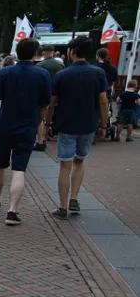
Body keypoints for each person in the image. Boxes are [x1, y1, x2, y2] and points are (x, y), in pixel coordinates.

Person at [0, 38, 51, 226]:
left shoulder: (6, 72)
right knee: (19, 169)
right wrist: (41, 122)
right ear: (36, 54)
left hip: (5, 126)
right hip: (27, 127)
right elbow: (44, 105)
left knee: (0, 166)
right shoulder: (43, 74)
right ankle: (12, 211)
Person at [47, 36, 109, 220]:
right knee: (79, 161)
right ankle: (74, 197)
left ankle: (62, 206)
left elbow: (52, 103)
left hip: (67, 124)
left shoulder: (62, 75)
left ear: (72, 51)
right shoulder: (98, 74)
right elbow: (103, 100)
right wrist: (104, 124)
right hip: (88, 123)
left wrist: (47, 123)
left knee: (64, 164)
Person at [95, 48, 119, 142]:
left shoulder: (94, 67)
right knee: (107, 110)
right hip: (107, 90)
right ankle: (105, 125)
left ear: (97, 56)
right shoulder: (112, 68)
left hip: (95, 92)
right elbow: (114, 81)